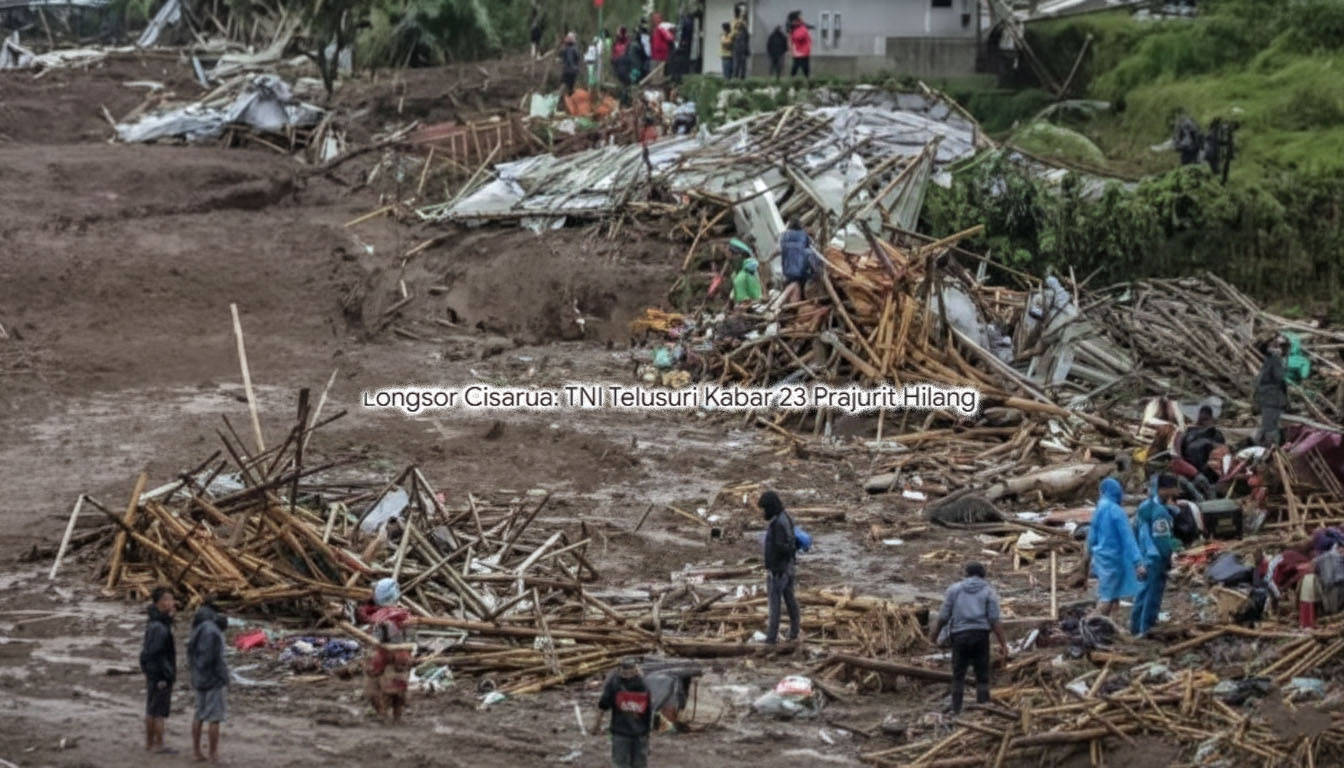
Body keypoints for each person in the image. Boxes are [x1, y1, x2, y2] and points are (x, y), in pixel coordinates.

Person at [930, 563, 1010, 714]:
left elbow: (943, 616)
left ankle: (956, 709)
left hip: (959, 636)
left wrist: (934, 637)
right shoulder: (988, 592)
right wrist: (1003, 643)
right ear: (983, 575)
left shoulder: (954, 590)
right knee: (982, 675)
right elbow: (994, 620)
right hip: (980, 636)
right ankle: (982, 708)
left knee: (958, 674)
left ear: (966, 574)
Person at [1080, 477, 1146, 617]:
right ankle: (1093, 623)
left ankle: (1109, 625)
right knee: (1108, 597)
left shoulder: (1099, 508)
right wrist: (1138, 562)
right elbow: (1128, 538)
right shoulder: (1116, 511)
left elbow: (1091, 537)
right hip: (1114, 559)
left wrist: (1087, 558)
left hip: (1101, 558)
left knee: (1112, 594)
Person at [1131, 474, 1179, 638]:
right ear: (1164, 490)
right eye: (1174, 488)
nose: (1177, 491)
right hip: (1155, 558)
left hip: (1144, 555)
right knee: (1152, 594)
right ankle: (1147, 628)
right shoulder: (1160, 513)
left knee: (1142, 592)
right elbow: (1162, 540)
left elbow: (1136, 530)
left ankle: (1136, 627)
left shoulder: (1144, 506)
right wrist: (1168, 558)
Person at [187, 602, 229, 763]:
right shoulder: (212, 631)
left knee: (198, 714)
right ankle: (213, 754)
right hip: (212, 679)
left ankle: (196, 751)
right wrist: (222, 677)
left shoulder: (197, 628)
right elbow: (212, 658)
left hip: (198, 677)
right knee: (214, 718)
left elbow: (192, 655)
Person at [592, 658, 653, 768]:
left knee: (623, 764)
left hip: (627, 733)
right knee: (636, 764)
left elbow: (602, 706)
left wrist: (596, 726)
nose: (627, 674)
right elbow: (648, 714)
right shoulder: (642, 684)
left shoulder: (616, 683)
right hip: (633, 733)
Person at [759, 490, 800, 645]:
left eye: (764, 509)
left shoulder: (778, 524)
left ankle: (771, 638)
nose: (763, 512)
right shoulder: (786, 518)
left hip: (779, 570)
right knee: (790, 600)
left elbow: (782, 547)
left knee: (774, 605)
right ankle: (794, 631)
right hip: (788, 567)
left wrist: (775, 568)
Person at [139, 586, 177, 753]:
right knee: (159, 711)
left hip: (153, 671)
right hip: (160, 673)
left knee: (151, 708)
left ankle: (149, 743)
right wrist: (163, 675)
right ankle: (158, 744)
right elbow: (155, 653)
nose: (173, 602)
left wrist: (146, 671)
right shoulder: (160, 627)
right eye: (169, 599)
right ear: (161, 602)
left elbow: (146, 652)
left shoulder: (154, 622)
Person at [365, 621, 412, 722]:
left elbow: (375, 670)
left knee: (384, 701)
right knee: (397, 703)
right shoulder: (402, 650)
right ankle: (395, 718)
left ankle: (385, 717)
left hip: (389, 683)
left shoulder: (384, 653)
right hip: (398, 682)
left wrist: (371, 671)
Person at [1254, 335, 1290, 446]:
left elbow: (1279, 379)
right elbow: (1279, 378)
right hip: (1271, 398)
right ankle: (1267, 450)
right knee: (1269, 427)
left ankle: (1267, 449)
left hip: (1270, 398)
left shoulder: (1272, 359)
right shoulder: (1274, 359)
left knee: (1268, 426)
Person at [1180, 405, 1226, 479]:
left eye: (1205, 419)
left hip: (1201, 471)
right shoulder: (1189, 432)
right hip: (1195, 470)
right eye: (1204, 419)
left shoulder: (1215, 433)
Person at [776, 217, 817, 300]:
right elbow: (811, 247)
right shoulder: (803, 235)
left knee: (792, 284)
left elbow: (780, 248)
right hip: (801, 269)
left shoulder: (784, 235)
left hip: (787, 268)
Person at [789, 15, 812, 79]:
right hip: (798, 52)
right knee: (795, 67)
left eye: (794, 21)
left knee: (804, 67)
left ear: (797, 22)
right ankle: (792, 78)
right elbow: (792, 39)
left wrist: (792, 34)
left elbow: (799, 37)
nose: (793, 23)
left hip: (803, 52)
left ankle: (807, 78)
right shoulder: (795, 29)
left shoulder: (802, 28)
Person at [730, 10, 750, 79]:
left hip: (743, 51)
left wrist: (747, 50)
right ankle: (735, 79)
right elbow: (731, 39)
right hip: (736, 50)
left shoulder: (745, 32)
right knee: (736, 66)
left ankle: (742, 79)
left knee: (743, 67)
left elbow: (747, 41)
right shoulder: (735, 32)